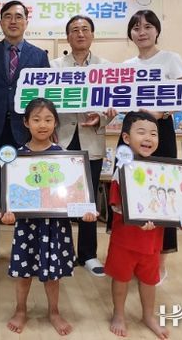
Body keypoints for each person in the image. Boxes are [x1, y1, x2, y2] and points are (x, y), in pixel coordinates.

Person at [0, 98, 98, 335]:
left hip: (55, 226)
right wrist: (5, 212)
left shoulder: (64, 157)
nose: (42, 125)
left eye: (48, 119)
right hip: (26, 226)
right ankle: (20, 310)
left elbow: (74, 193)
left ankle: (54, 311)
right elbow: (9, 196)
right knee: (23, 272)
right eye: (36, 119)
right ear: (26, 122)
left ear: (55, 123)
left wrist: (85, 210)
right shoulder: (15, 158)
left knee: (53, 274)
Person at [0, 0, 50, 271]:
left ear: (27, 21)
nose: (13, 21)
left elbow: (44, 98)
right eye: (8, 16)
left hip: (24, 133)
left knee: (28, 192)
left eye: (18, 16)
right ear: (1, 22)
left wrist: (42, 132)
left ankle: (30, 249)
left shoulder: (39, 56)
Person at [123, 9, 182, 282]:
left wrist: (160, 113)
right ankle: (133, 256)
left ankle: (159, 262)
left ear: (157, 31)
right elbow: (119, 98)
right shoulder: (127, 65)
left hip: (160, 130)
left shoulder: (171, 59)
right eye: (136, 27)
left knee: (163, 192)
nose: (141, 32)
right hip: (131, 131)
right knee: (132, 191)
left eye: (147, 27)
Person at [51, 15, 115, 277]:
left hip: (91, 137)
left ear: (92, 35)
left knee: (88, 197)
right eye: (74, 30)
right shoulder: (54, 66)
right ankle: (62, 250)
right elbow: (46, 101)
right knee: (61, 197)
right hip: (62, 138)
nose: (80, 34)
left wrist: (101, 117)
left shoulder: (106, 67)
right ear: (67, 37)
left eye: (85, 29)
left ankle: (87, 254)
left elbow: (114, 104)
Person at [104, 111, 165, 338]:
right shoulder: (122, 169)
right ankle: (118, 313)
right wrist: (137, 220)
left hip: (152, 240)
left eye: (153, 134)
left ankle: (148, 315)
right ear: (126, 138)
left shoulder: (163, 170)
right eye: (141, 132)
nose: (148, 138)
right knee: (121, 278)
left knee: (150, 279)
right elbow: (116, 205)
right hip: (126, 239)